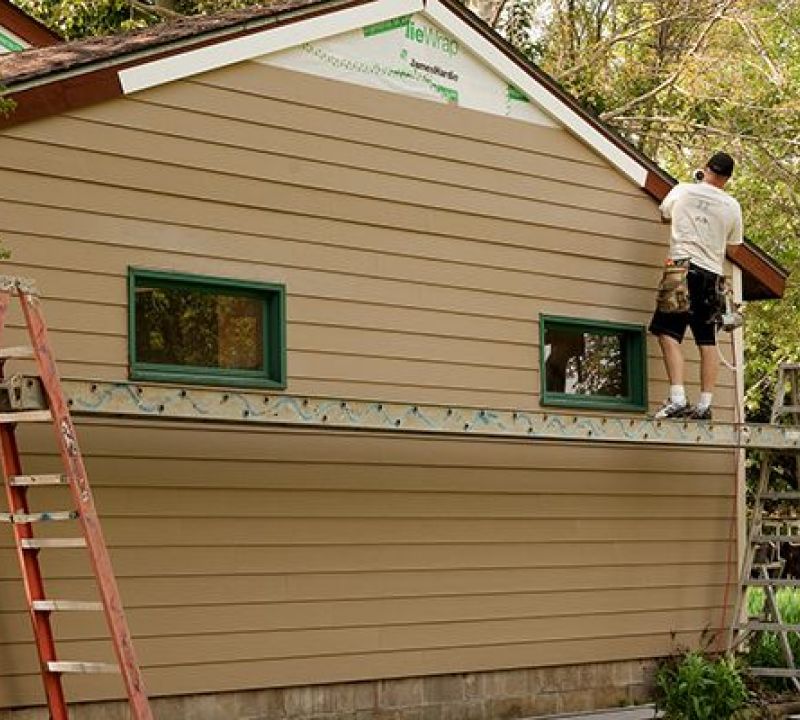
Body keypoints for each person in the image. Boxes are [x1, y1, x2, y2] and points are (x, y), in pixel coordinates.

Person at [649, 151, 744, 420]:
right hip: (712, 277)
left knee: (667, 332)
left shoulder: (683, 191)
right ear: (727, 178)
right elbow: (734, 250)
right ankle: (704, 405)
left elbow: (664, 215)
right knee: (707, 339)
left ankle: (678, 398)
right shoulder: (732, 206)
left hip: (681, 270)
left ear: (706, 168)